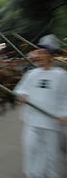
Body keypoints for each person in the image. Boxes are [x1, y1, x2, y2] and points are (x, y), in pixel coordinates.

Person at [14, 34, 67, 178]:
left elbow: (64, 97)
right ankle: (33, 175)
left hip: (51, 123)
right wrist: (21, 95)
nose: (40, 56)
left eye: (44, 53)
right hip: (32, 121)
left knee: (51, 154)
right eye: (40, 52)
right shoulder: (31, 74)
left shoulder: (61, 75)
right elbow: (20, 89)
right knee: (30, 150)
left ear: (51, 56)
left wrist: (64, 113)